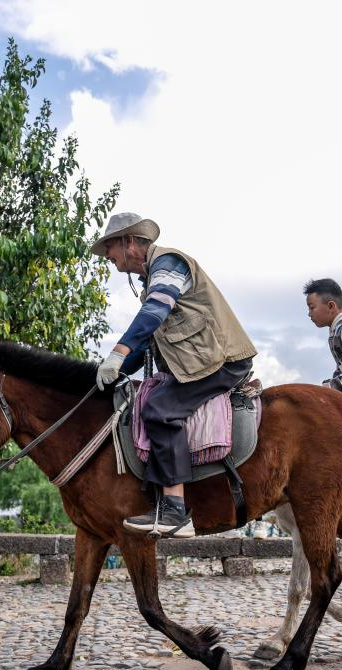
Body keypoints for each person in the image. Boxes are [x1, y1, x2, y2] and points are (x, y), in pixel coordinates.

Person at [91, 212, 256, 538]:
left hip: (221, 362)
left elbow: (155, 310)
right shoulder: (153, 278)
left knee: (160, 409)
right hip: (200, 364)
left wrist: (119, 351)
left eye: (109, 246)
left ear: (129, 241)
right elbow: (146, 341)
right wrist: (114, 370)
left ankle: (175, 510)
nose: (107, 255)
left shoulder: (168, 263)